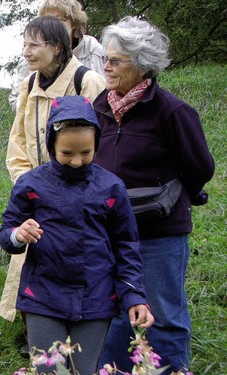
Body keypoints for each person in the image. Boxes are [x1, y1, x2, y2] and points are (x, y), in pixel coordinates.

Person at [0, 95, 154, 375]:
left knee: (85, 370)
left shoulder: (111, 187)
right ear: (51, 146)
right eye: (67, 153)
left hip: (96, 298)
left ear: (97, 144)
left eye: (86, 152)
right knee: (48, 370)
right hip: (42, 296)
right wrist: (18, 235)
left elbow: (127, 244)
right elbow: (6, 232)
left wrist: (134, 295)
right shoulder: (31, 184)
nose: (77, 161)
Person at [93, 17, 214, 373]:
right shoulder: (100, 106)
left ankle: (173, 369)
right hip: (110, 232)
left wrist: (168, 196)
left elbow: (199, 166)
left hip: (159, 233)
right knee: (114, 313)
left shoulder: (172, 111)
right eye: (106, 58)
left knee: (162, 315)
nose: (107, 66)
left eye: (116, 60)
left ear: (143, 65)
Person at [0, 15, 106, 355]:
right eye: (24, 43)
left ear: (57, 47)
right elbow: (16, 143)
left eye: (34, 44)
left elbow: (99, 143)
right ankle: (38, 333)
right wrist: (28, 185)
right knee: (34, 255)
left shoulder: (86, 81)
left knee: (78, 257)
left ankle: (84, 336)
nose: (26, 51)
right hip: (37, 192)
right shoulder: (29, 84)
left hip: (81, 192)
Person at [8, 0, 105, 112]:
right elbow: (17, 101)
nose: (52, 26)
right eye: (47, 20)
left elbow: (102, 97)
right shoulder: (30, 57)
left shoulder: (92, 51)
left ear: (73, 23)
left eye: (58, 20)